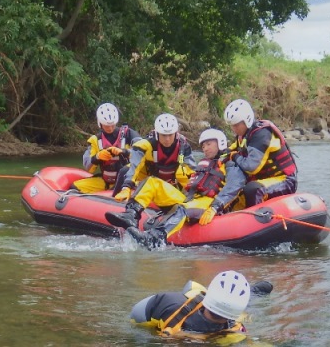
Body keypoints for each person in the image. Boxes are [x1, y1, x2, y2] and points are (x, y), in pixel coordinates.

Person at [105, 128, 245, 249]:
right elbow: (187, 177)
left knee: (182, 209)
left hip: (208, 203)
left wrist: (215, 206)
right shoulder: (203, 164)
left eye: (209, 144)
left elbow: (235, 185)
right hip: (190, 198)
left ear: (220, 143)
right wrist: (182, 159)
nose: (205, 148)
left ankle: (154, 238)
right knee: (152, 182)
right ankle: (131, 214)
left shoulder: (230, 164)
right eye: (203, 146)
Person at [130, 270, 273, 343]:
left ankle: (252, 292)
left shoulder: (234, 323)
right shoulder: (171, 311)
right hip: (158, 308)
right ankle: (251, 293)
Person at [223, 98, 298, 208]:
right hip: (264, 180)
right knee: (232, 190)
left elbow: (251, 167)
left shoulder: (262, 135)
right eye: (232, 125)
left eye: (236, 125)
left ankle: (257, 220)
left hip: (284, 181)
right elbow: (228, 151)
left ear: (246, 120)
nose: (234, 129)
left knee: (253, 190)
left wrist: (234, 156)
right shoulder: (243, 136)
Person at [112, 113, 197, 200]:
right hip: (148, 180)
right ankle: (118, 196)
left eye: (170, 135)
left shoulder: (183, 146)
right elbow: (135, 165)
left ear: (176, 134)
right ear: (157, 134)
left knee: (183, 171)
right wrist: (127, 186)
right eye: (163, 135)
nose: (167, 139)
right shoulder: (147, 144)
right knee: (125, 170)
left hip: (172, 184)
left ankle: (191, 198)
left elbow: (192, 171)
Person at [71, 102, 141, 193]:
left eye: (112, 125)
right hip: (106, 181)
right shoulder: (95, 140)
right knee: (74, 187)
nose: (110, 128)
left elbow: (142, 152)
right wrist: (97, 157)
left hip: (127, 181)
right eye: (106, 125)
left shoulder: (129, 134)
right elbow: (88, 167)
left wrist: (124, 152)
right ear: (100, 123)